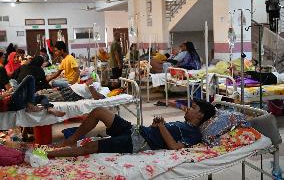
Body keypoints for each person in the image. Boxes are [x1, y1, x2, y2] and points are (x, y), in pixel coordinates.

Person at [47, 99, 216, 157]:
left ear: (200, 116)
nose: (188, 109)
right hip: (137, 130)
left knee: (90, 148)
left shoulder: (193, 134)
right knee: (99, 111)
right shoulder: (183, 124)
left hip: (140, 142)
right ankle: (71, 139)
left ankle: (48, 153)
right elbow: (159, 133)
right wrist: (157, 125)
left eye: (193, 108)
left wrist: (162, 126)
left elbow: (174, 146)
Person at [0, 75, 65, 117]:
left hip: (17, 102)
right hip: (12, 103)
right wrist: (6, 94)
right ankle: (30, 105)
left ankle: (49, 108)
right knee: (30, 78)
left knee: (42, 97)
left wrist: (8, 92)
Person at [37, 79, 109, 102]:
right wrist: (90, 84)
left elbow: (97, 97)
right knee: (48, 93)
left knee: (49, 97)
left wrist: (90, 85)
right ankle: (37, 94)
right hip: (72, 89)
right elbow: (88, 83)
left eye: (114, 81)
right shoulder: (99, 84)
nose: (111, 80)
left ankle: (34, 98)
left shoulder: (106, 90)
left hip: (74, 94)